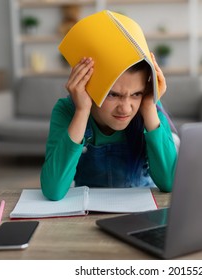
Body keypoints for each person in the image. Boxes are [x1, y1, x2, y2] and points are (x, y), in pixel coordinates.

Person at [40, 53, 178, 201]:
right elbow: (53, 190)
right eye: (113, 95)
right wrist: (82, 111)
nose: (125, 109)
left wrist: (149, 109)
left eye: (136, 94)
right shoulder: (67, 111)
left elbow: (170, 183)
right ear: (90, 88)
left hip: (140, 212)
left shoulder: (149, 107)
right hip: (88, 213)